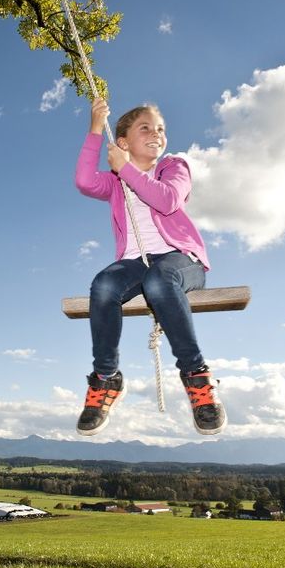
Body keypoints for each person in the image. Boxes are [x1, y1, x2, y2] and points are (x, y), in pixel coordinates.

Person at [74, 98, 226, 437]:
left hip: (180, 261)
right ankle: (106, 378)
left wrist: (126, 168)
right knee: (103, 286)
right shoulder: (115, 182)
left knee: (160, 281)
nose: (156, 133)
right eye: (145, 128)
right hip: (134, 264)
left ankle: (196, 377)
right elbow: (84, 181)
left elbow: (168, 200)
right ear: (124, 141)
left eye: (160, 129)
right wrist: (96, 129)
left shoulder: (174, 166)